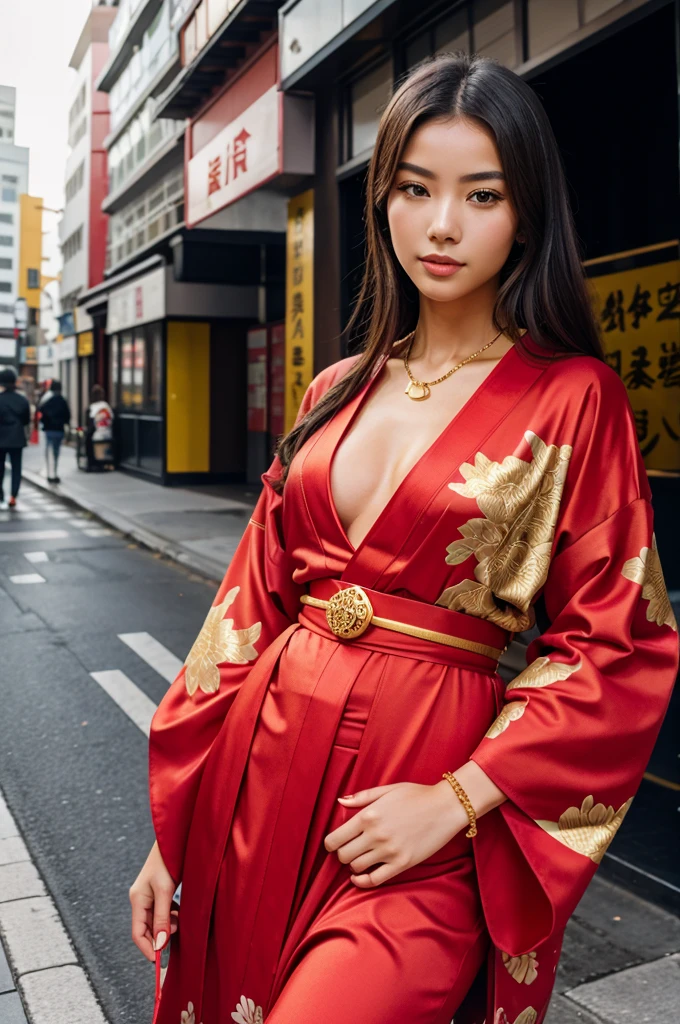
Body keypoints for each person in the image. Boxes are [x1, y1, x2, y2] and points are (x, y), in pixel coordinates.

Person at [131, 53, 678, 1024]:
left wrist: (461, 797)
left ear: (525, 215)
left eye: (481, 194)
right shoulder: (332, 389)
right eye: (415, 188)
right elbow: (243, 614)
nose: (441, 224)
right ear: (380, 196)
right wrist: (172, 831)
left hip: (424, 801)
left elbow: (614, 641)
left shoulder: (570, 398)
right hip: (259, 776)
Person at [0, 367, 30, 510]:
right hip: (17, 438)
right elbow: (26, 420)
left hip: (1, 438)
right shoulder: (22, 400)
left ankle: (0, 495)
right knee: (16, 468)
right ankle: (13, 496)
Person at [38, 379, 71, 484]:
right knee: (56, 452)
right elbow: (67, 416)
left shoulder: (47, 400)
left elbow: (41, 413)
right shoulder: (62, 400)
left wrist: (46, 422)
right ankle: (54, 473)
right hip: (59, 430)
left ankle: (50, 473)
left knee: (49, 451)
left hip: (49, 429)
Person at [86, 384, 114, 468]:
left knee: (88, 439)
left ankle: (92, 463)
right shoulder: (106, 406)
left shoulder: (92, 407)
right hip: (108, 432)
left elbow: (90, 423)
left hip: (97, 433)